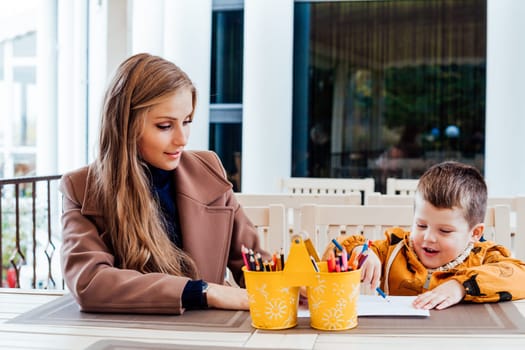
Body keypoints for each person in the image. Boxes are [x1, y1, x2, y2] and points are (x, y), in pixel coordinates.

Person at [60, 53, 268, 314]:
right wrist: (203, 291)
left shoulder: (208, 170)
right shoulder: (81, 187)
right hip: (132, 337)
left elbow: (254, 262)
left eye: (187, 121)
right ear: (126, 126)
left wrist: (298, 281)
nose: (182, 139)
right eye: (165, 126)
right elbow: (90, 282)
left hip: (210, 331)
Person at [324, 161, 525, 310]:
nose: (428, 237)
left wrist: (461, 287)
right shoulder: (395, 249)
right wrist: (360, 251)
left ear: (475, 233)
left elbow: (520, 275)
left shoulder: (483, 256)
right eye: (421, 225)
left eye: (444, 231)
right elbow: (340, 248)